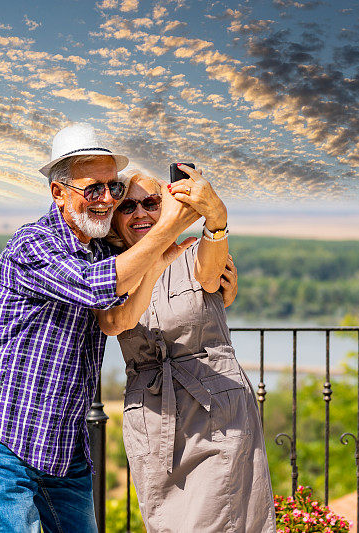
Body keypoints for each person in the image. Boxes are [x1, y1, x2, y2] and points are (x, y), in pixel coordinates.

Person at [0, 123, 199, 533]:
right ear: (59, 192)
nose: (107, 199)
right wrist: (169, 227)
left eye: (114, 188)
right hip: (6, 438)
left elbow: (117, 315)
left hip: (64, 447)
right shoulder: (32, 244)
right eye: (93, 189)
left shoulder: (100, 246)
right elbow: (98, 285)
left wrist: (211, 257)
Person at [103, 168, 276, 533]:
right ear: (114, 219)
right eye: (127, 206)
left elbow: (211, 274)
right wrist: (151, 259)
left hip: (214, 412)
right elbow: (114, 321)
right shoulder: (109, 270)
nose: (140, 213)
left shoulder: (195, 252)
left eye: (151, 203)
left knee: (217, 522)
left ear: (167, 207)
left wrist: (216, 219)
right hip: (152, 418)